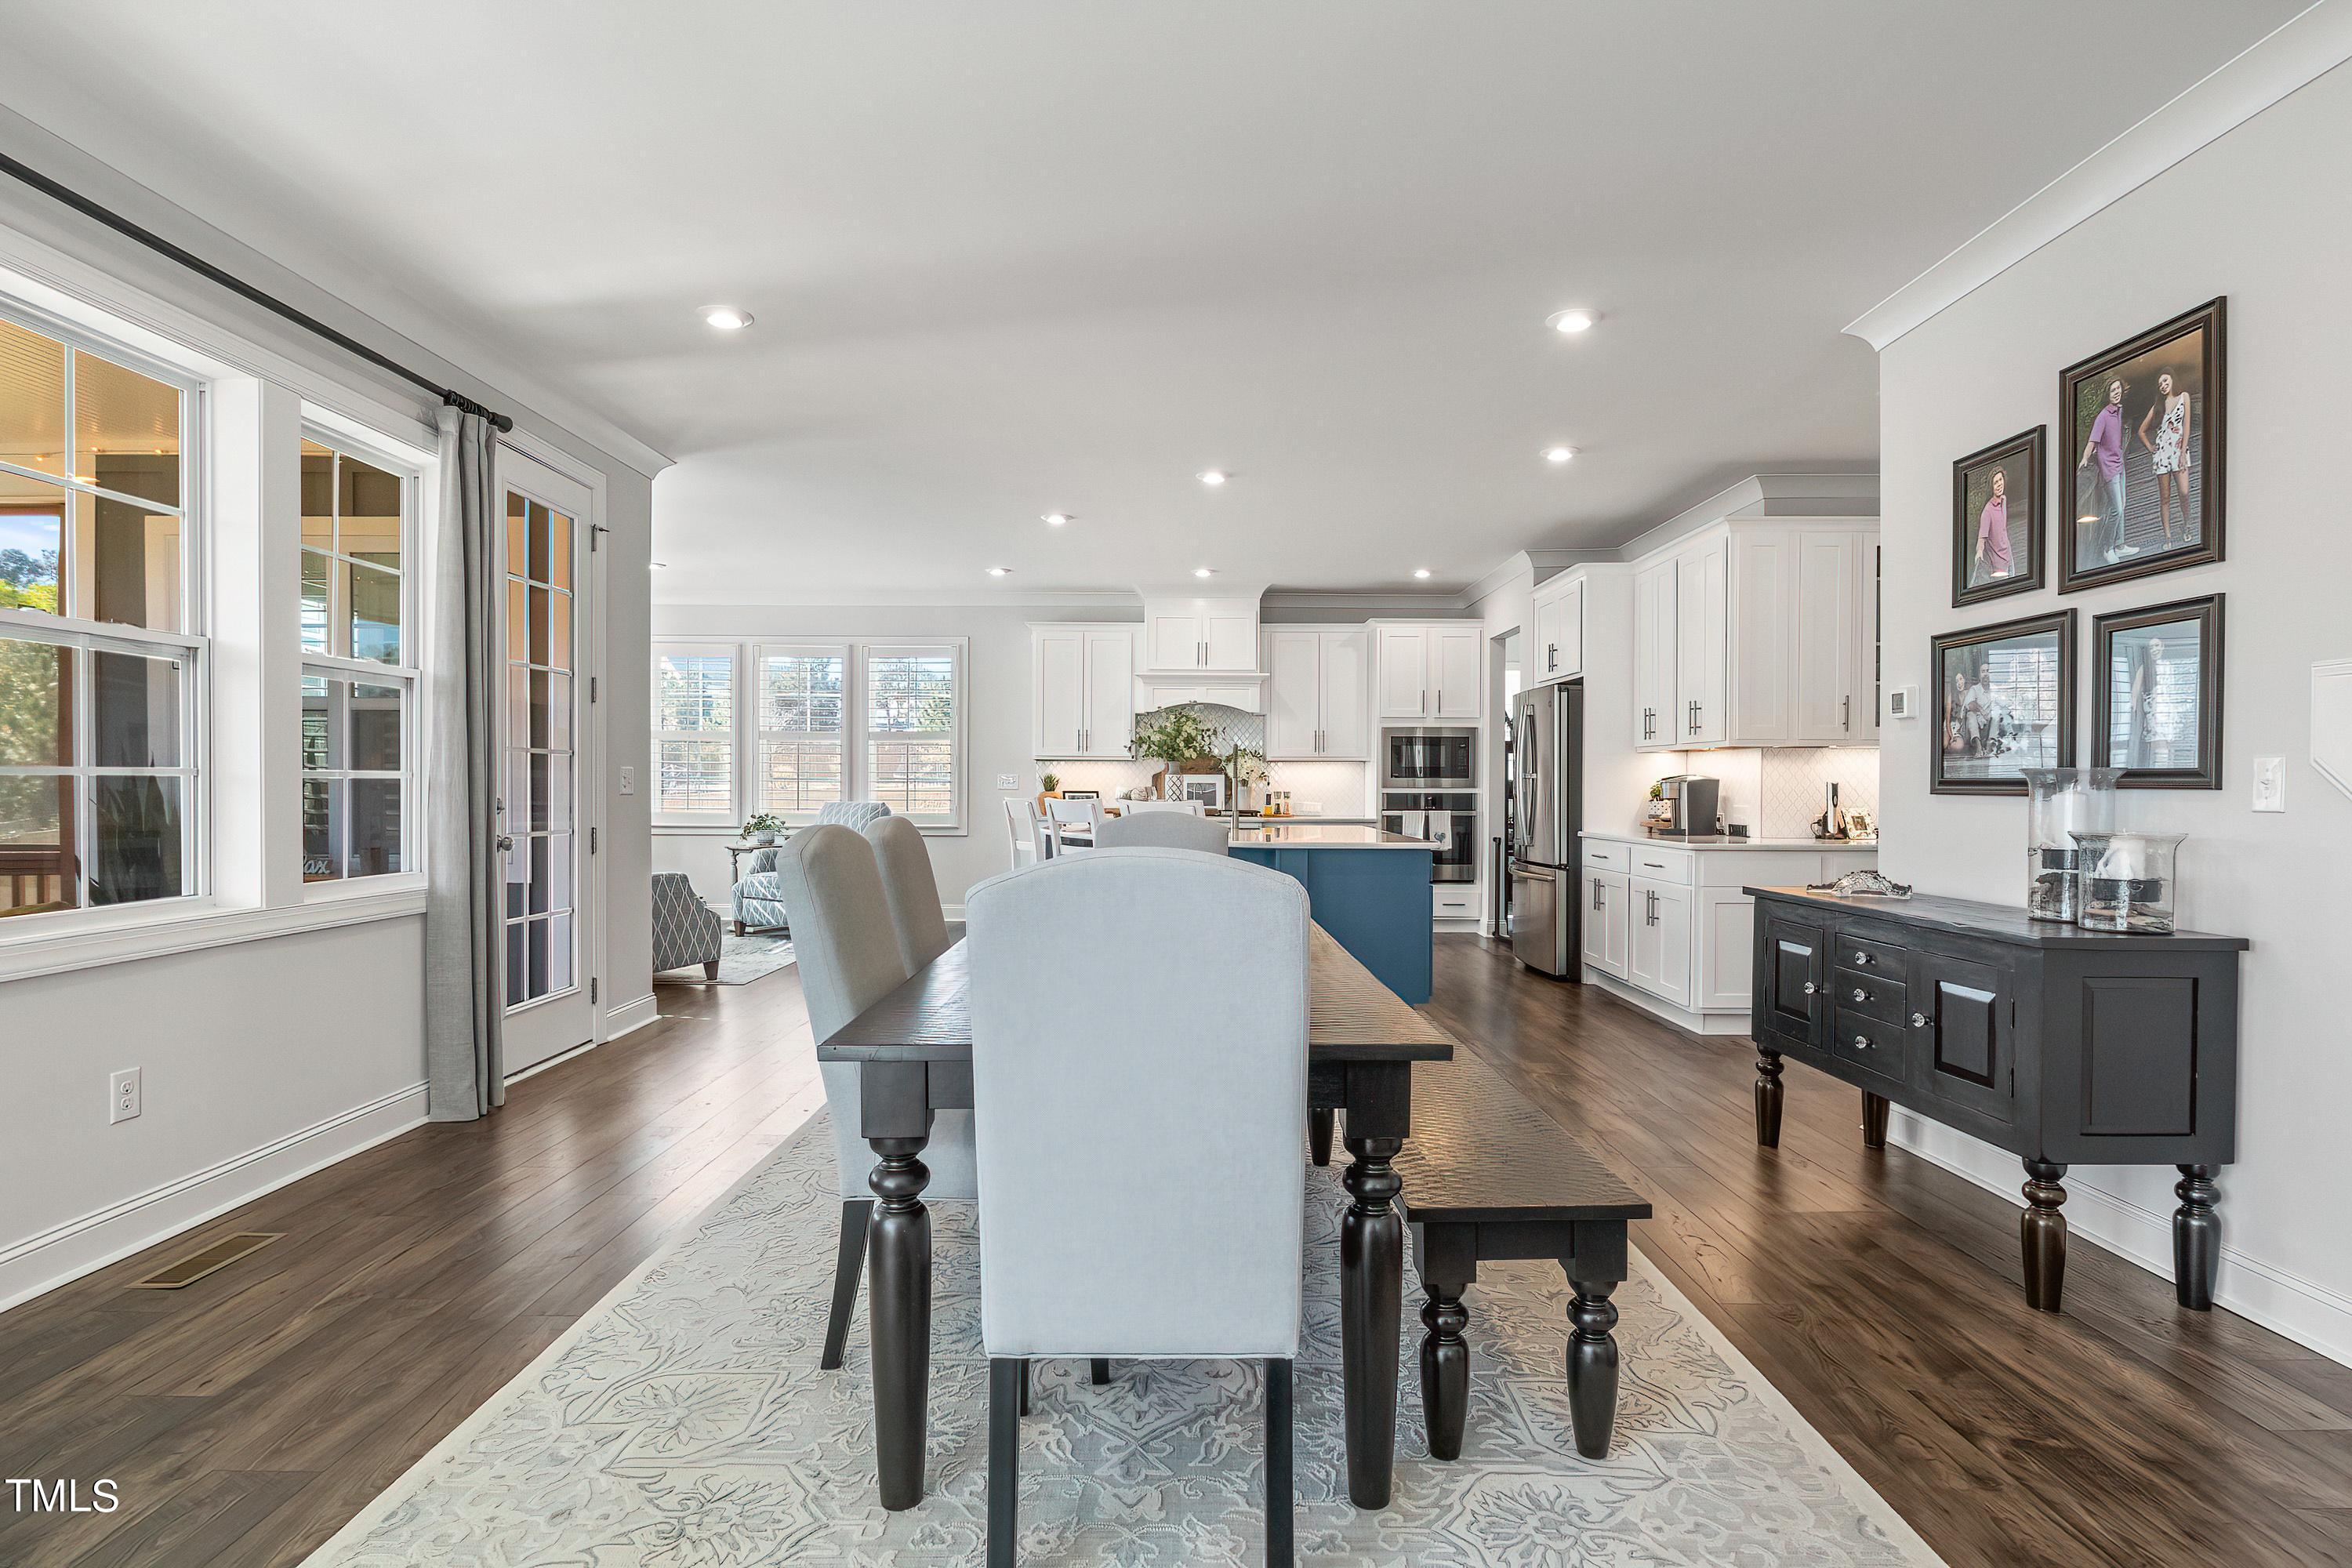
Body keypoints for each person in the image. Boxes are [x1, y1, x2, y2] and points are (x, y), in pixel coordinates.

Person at [2077, 377, 2136, 565]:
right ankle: (2107, 547)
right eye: (2113, 390)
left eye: (2118, 389)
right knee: (2116, 509)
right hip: (2109, 467)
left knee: (2122, 505)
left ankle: (2120, 545)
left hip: (2120, 463)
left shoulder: (2119, 410)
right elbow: (2092, 441)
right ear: (2107, 394)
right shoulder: (2103, 416)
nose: (2117, 392)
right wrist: (2085, 458)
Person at [2136, 370, 2192, 546]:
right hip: (2162, 455)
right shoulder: (2158, 406)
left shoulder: (2184, 397)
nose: (2163, 385)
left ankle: (2186, 525)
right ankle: (2168, 537)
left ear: (2173, 379)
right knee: (2165, 498)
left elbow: (2186, 426)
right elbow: (2141, 431)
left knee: (2184, 493)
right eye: (2160, 384)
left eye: (2166, 381)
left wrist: (2182, 452)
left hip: (2178, 451)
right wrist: (2151, 448)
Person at [1973, 466, 2013, 583]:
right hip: (1998, 567)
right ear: (1992, 487)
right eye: (1996, 483)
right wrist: (1979, 552)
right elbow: (1981, 539)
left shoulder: (2004, 500)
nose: (1999, 484)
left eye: (2000, 480)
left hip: (2009, 558)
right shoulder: (1987, 511)